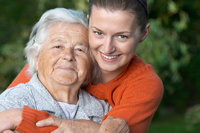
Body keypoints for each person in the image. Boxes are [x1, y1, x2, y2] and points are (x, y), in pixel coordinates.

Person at [5, 0, 164, 132]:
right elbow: (5, 111)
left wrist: (20, 117)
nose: (107, 48)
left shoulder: (143, 85)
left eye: (122, 36)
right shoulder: (51, 64)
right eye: (98, 33)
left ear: (143, 34)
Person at [0, 8, 126, 133]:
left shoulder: (104, 112)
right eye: (58, 46)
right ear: (36, 57)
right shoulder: (11, 102)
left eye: (79, 49)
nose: (68, 55)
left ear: (90, 65)